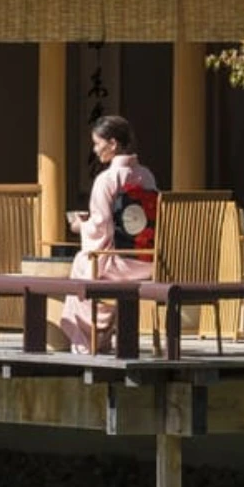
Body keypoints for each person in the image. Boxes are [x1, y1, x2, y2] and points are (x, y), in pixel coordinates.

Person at [57, 115, 161, 349]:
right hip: (148, 260)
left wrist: (80, 226)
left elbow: (101, 226)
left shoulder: (107, 179)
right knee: (87, 263)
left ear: (113, 144)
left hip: (122, 263)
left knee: (83, 261)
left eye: (97, 143)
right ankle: (102, 334)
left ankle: (89, 340)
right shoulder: (147, 176)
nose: (95, 150)